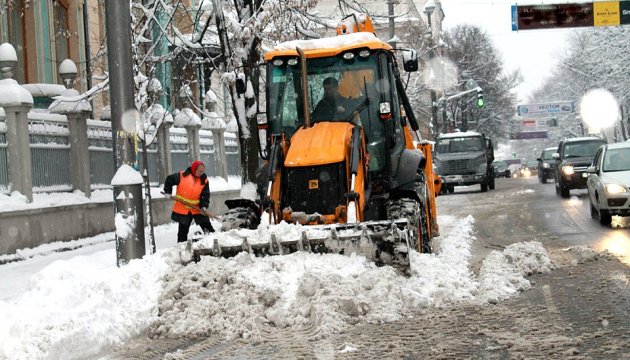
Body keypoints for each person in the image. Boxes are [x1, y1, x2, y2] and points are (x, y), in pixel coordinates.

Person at [163, 160, 215, 243]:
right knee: (182, 234)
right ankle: (181, 250)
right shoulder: (182, 176)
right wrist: (167, 192)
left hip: (197, 209)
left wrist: (204, 206)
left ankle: (213, 244)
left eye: (203, 171)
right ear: (194, 169)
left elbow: (206, 195)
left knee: (209, 229)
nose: (202, 173)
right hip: (183, 209)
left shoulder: (204, 180)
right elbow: (169, 179)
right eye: (200, 171)